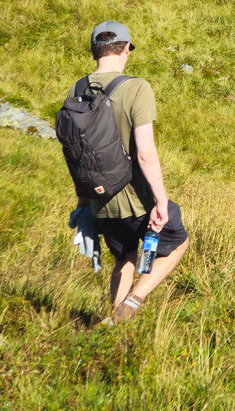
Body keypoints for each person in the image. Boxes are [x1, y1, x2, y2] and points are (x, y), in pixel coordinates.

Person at [73, 20, 189, 324]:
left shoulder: (79, 87)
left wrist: (83, 199)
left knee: (124, 258)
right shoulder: (136, 87)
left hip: (99, 198)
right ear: (126, 49)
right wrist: (160, 201)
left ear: (93, 51)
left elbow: (77, 150)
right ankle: (132, 303)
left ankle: (112, 323)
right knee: (177, 241)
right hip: (136, 199)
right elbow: (145, 153)